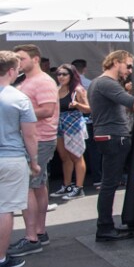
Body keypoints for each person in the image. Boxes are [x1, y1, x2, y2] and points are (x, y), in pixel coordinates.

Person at [88, 50, 134, 241]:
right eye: (128, 65)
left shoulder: (99, 83)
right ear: (116, 62)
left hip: (109, 135)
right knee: (110, 183)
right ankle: (105, 227)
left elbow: (123, 104)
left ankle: (106, 226)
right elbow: (130, 101)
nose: (129, 71)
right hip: (113, 136)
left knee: (110, 182)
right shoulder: (105, 82)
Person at [7, 45, 59, 256]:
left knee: (29, 186)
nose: (19, 62)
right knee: (37, 186)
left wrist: (19, 113)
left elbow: (48, 110)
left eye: (22, 58)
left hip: (40, 138)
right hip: (37, 138)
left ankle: (32, 237)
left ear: (35, 59)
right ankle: (38, 232)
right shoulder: (27, 80)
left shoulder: (43, 81)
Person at [0, 51, 38, 267]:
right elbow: (30, 136)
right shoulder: (18, 98)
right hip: (11, 157)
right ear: (12, 71)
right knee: (5, 209)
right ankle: (1, 258)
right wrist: (34, 161)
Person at [51, 64, 90, 200]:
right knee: (64, 156)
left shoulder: (77, 90)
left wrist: (77, 105)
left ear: (71, 75)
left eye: (64, 74)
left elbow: (88, 109)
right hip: (59, 124)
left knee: (77, 155)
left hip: (73, 124)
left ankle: (79, 187)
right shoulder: (56, 89)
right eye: (59, 74)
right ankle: (67, 185)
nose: (61, 77)